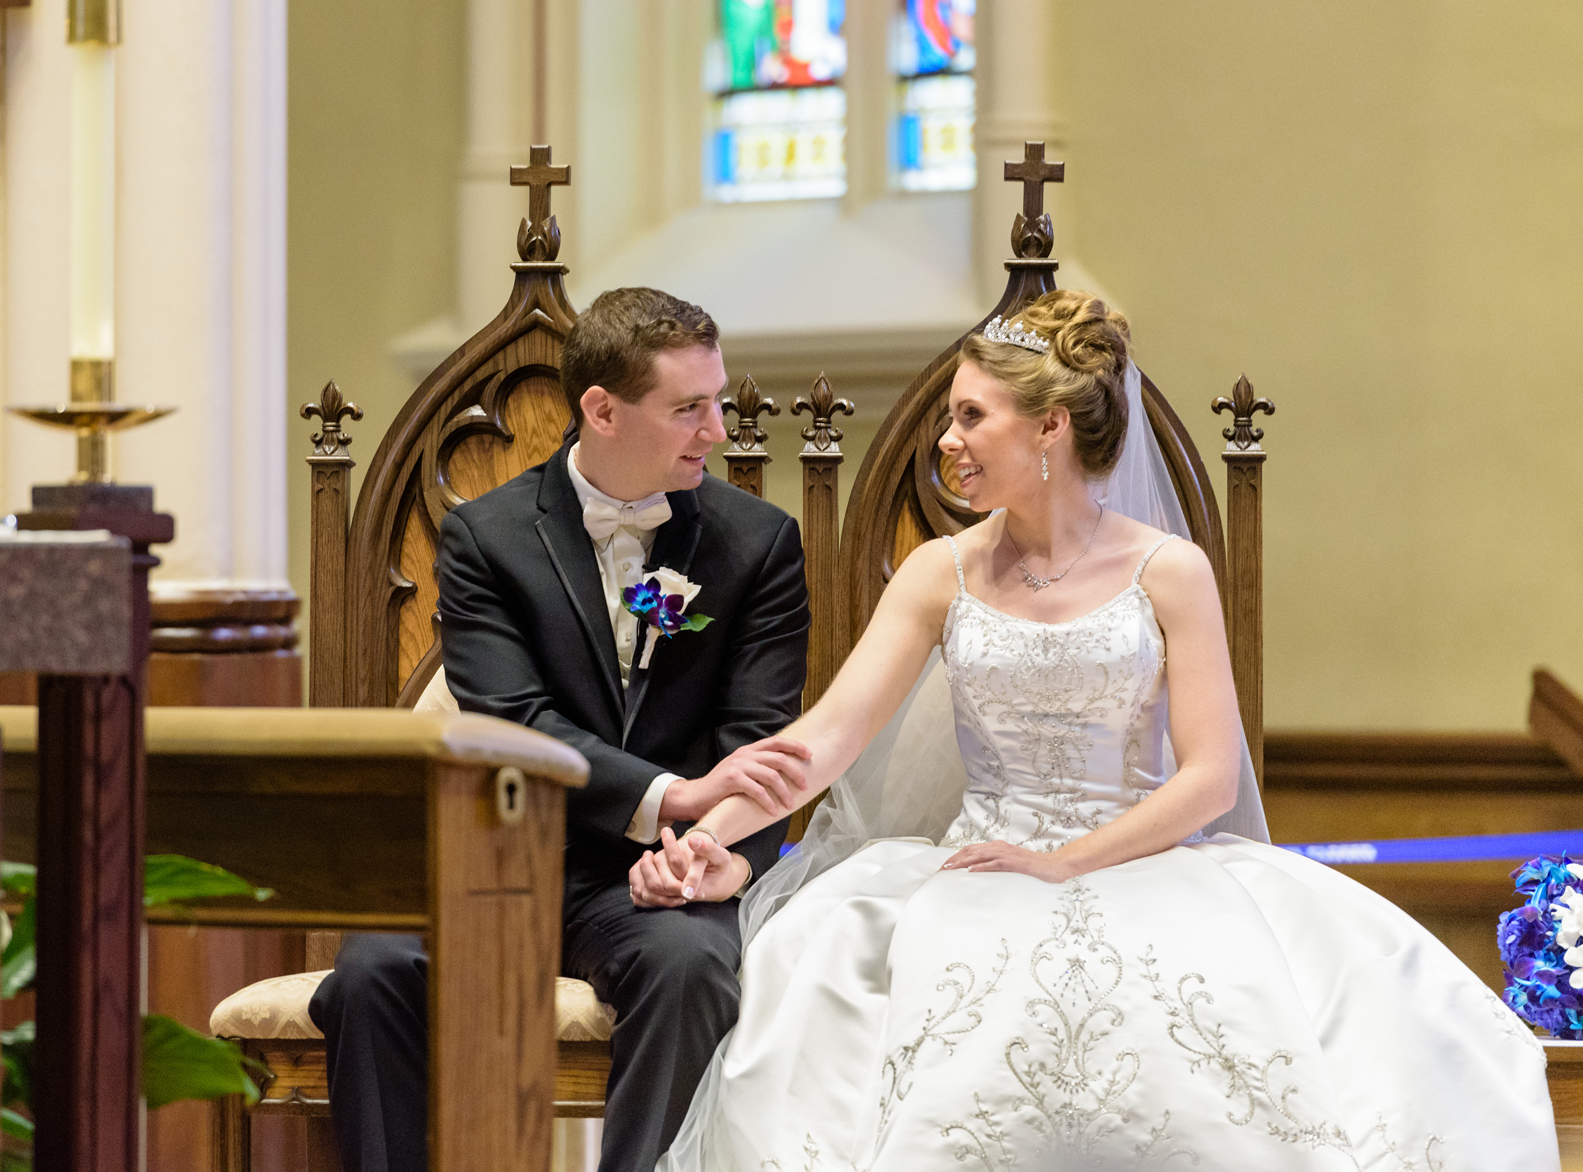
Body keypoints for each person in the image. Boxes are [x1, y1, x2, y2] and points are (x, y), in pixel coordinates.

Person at [641, 290, 1558, 1170]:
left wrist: (1067, 862)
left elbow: (1208, 778)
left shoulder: (1171, 570)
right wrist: (703, 836)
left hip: (1141, 859)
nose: (946, 441)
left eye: (970, 416)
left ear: (1050, 427)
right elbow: (825, 741)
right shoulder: (937, 572)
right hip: (978, 859)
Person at [309, 287, 813, 1172]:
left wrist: (707, 846)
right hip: (497, 853)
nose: (718, 430)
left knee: (693, 966)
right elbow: (514, 720)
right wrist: (667, 793)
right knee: (373, 970)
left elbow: (756, 737)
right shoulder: (485, 538)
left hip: (659, 878)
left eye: (717, 400)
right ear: (601, 409)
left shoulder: (757, 543)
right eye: (689, 408)